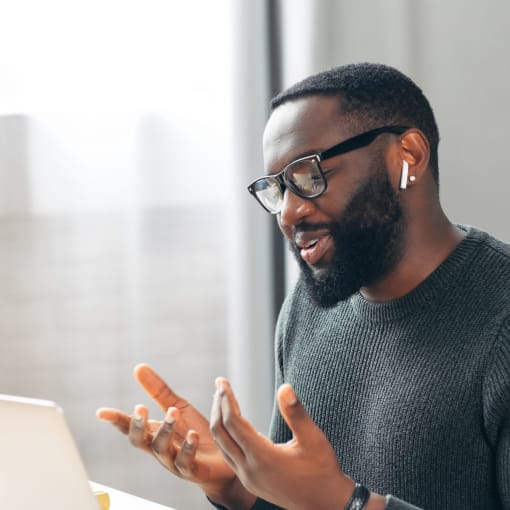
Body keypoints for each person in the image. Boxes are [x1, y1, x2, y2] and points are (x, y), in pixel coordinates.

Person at [97, 63, 510, 510]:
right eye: (277, 190)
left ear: (406, 155)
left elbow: (326, 502)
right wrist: (241, 489)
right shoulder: (308, 309)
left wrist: (346, 503)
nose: (289, 213)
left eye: (309, 176)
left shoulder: (499, 318)